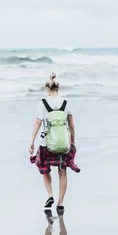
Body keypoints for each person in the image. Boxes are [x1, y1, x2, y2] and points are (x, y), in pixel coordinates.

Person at [29, 73, 80, 212]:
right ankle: (60, 202)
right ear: (59, 87)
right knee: (62, 172)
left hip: (46, 144)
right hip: (64, 144)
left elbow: (38, 122)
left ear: (47, 88)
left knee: (44, 168)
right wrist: (72, 142)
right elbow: (72, 126)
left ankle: (50, 194)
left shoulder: (43, 103)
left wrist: (32, 141)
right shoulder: (66, 103)